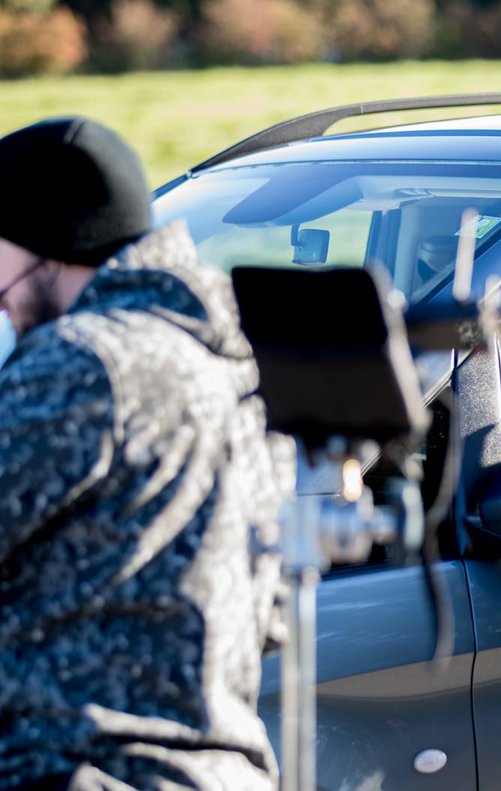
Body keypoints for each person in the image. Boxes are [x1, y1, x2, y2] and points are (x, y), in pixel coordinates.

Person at [0, 117, 294, 789]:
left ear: (52, 239)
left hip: (76, 768)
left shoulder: (86, 359)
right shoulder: (231, 363)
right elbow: (268, 613)